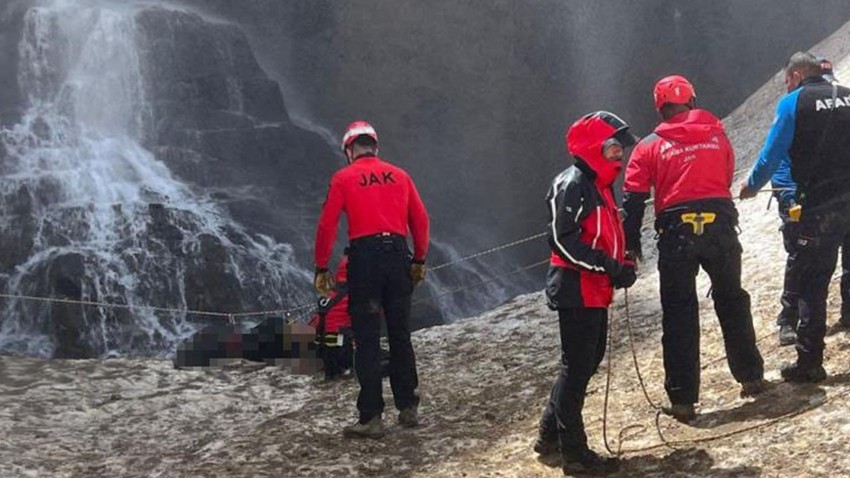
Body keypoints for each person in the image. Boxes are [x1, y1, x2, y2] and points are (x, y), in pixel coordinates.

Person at [623, 75, 766, 423]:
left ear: (660, 107)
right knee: (732, 298)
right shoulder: (717, 133)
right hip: (719, 224)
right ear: (691, 100)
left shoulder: (648, 146)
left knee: (679, 312)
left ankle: (683, 398)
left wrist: (630, 246)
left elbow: (633, 198)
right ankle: (751, 377)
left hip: (676, 233)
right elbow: (728, 175)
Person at [533, 111, 637, 475]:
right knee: (576, 368)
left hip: (593, 287)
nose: (619, 156)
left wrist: (622, 262)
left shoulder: (599, 186)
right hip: (576, 287)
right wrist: (610, 266)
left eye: (619, 149)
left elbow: (605, 233)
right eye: (613, 148)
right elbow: (563, 239)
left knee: (584, 364)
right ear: (594, 148)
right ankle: (574, 454)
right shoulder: (573, 183)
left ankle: (548, 437)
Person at [314, 120, 430, 439]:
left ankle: (371, 418)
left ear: (350, 150)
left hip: (364, 260)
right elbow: (420, 219)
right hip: (397, 256)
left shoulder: (343, 178)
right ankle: (408, 408)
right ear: (375, 147)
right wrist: (418, 258)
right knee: (400, 334)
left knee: (366, 338)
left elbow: (327, 226)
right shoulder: (400, 175)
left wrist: (321, 266)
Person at [740, 52, 850, 382]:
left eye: (787, 80)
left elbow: (772, 153)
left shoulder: (793, 104)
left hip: (818, 207)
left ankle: (809, 362)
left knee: (813, 283)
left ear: (798, 75)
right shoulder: (847, 96)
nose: (786, 86)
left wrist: (751, 185)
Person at [309, 256, 354, 380]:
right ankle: (345, 369)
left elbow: (318, 319)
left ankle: (331, 373)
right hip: (340, 341)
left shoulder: (329, 294)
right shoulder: (353, 295)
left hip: (322, 342)